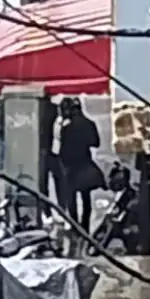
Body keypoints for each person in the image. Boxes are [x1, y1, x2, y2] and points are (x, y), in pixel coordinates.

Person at [54, 97, 104, 229]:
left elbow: (61, 150)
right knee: (86, 197)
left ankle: (75, 225)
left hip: (71, 166)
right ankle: (85, 225)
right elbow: (96, 143)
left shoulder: (66, 128)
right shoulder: (90, 124)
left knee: (71, 198)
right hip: (85, 162)